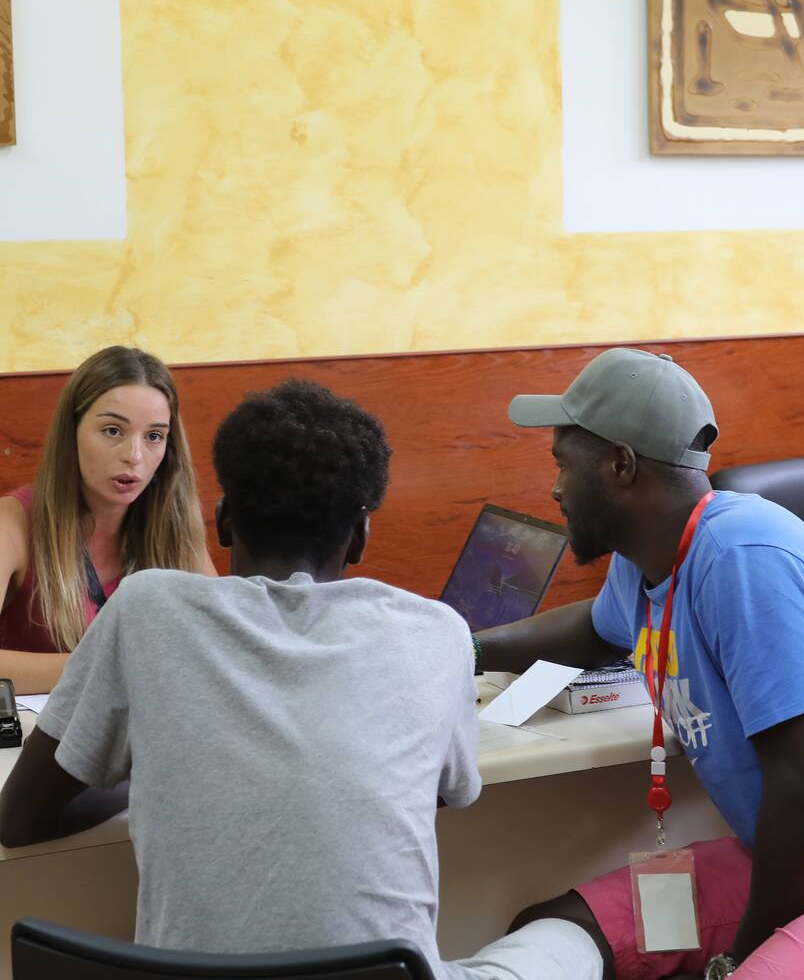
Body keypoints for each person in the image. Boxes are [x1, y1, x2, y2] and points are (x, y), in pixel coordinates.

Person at [0, 379, 602, 980]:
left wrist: (160, 770)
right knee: (573, 928)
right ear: (361, 536)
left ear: (223, 521)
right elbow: (445, 790)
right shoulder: (437, 632)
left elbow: (17, 819)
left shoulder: (143, 609)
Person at [476, 348, 804, 980]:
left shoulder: (743, 558)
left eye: (563, 464)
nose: (556, 488)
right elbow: (595, 630)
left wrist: (737, 960)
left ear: (620, 464)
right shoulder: (647, 553)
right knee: (555, 932)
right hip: (794, 866)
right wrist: (464, 647)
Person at [0, 345, 213, 693]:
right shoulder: (12, 522)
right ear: (72, 433)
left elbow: (219, 647)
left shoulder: (175, 529)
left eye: (154, 436)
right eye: (113, 431)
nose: (134, 456)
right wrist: (113, 666)